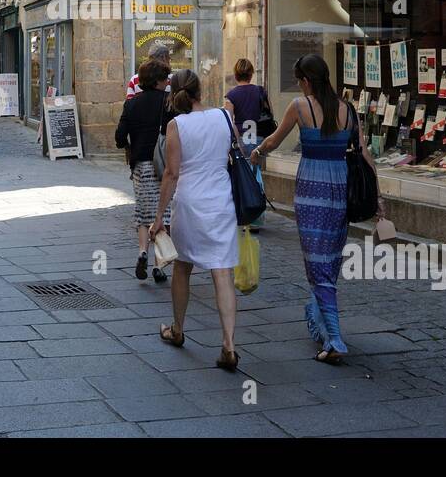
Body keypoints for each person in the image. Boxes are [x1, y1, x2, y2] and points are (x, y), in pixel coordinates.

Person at [249, 53, 380, 365]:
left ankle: (334, 338)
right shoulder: (347, 109)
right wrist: (378, 196)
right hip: (339, 191)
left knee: (316, 263)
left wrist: (256, 153)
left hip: (311, 190)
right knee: (330, 259)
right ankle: (320, 318)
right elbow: (363, 152)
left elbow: (275, 141)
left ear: (306, 80)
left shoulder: (300, 107)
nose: (299, 85)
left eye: (299, 80)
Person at [152, 69, 240, 371]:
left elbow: (171, 173)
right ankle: (228, 343)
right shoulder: (224, 116)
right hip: (220, 202)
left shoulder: (177, 125)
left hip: (190, 203)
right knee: (222, 272)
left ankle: (177, 329)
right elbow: (233, 150)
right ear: (200, 90)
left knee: (182, 267)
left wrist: (158, 217)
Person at [115, 58, 173, 282]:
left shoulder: (131, 104)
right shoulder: (169, 102)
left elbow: (119, 137)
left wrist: (129, 147)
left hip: (141, 165)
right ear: (158, 80)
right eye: (166, 77)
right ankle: (160, 264)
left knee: (142, 212)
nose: (168, 81)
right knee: (163, 212)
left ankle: (142, 252)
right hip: (165, 164)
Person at [224, 58, 271, 230]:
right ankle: (257, 216)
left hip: (242, 137)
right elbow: (268, 112)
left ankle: (245, 212)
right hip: (259, 137)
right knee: (257, 173)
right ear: (251, 74)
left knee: (242, 176)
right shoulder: (260, 91)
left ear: (236, 75)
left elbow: (228, 120)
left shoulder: (232, 95)